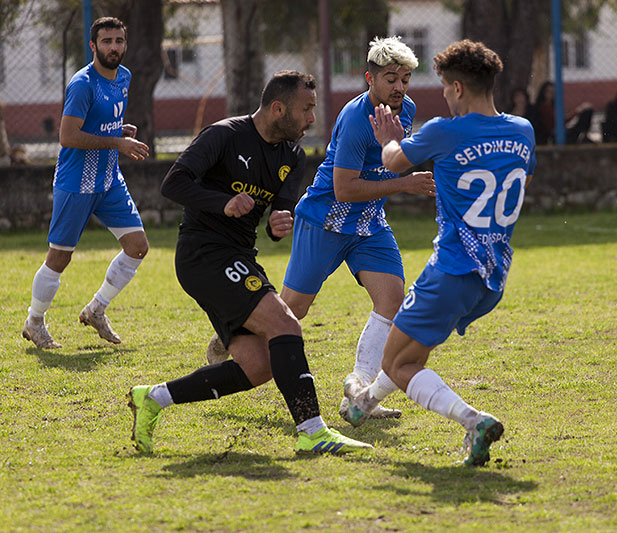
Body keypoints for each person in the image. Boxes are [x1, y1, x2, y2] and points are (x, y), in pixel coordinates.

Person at [126, 70, 372, 456]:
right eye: (306, 109)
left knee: (258, 365)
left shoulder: (293, 155)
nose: (312, 119)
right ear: (278, 109)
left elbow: (281, 212)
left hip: (238, 256)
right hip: (203, 254)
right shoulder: (224, 135)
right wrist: (220, 202)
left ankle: (154, 398)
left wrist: (279, 224)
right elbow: (172, 183)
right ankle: (312, 431)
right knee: (285, 323)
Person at [213, 36, 434, 423]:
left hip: (368, 224)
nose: (399, 87)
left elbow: (393, 159)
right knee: (291, 313)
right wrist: (404, 182)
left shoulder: (407, 108)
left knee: (392, 299)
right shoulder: (354, 118)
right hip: (326, 222)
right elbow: (344, 188)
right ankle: (233, 331)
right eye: (390, 79)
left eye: (405, 79)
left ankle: (360, 391)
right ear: (369, 78)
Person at [341, 39, 535, 466]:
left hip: (450, 269)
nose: (444, 95)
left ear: (459, 88)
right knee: (413, 353)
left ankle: (473, 420)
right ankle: (361, 405)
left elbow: (393, 161)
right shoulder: (523, 130)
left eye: (446, 87)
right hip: (493, 277)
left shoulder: (445, 131)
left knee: (398, 363)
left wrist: (390, 137)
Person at [22, 17, 150, 350]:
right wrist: (117, 144)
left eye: (119, 41)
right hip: (77, 183)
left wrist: (119, 130)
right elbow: (68, 136)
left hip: (109, 181)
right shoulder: (82, 83)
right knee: (59, 258)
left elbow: (98, 123)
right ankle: (34, 322)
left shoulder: (124, 77)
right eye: (106, 41)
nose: (114, 47)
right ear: (93, 46)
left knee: (138, 246)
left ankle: (96, 310)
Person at [528, 80, 593, 145]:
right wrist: (577, 111)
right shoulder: (543, 107)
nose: (550, 94)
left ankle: (584, 135)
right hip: (554, 135)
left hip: (561, 130)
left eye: (552, 92)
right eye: (548, 91)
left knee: (587, 113)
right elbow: (560, 121)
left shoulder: (553, 105)